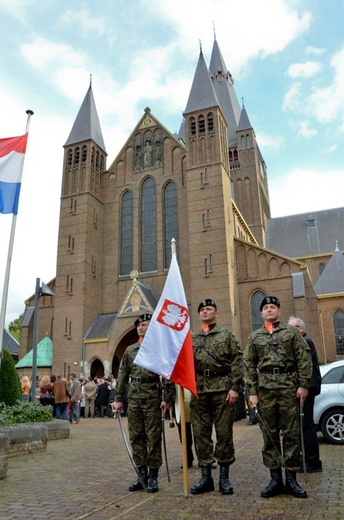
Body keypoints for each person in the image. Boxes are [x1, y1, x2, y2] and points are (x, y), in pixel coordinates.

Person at [243, 296, 312, 499]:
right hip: (265, 392)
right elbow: (248, 364)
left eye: (273, 307)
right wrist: (252, 392)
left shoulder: (291, 333)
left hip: (288, 389)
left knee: (291, 434)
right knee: (269, 435)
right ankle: (275, 479)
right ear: (261, 313)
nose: (269, 310)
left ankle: (291, 479)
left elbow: (304, 358)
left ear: (279, 312)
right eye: (266, 307)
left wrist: (303, 385)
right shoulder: (255, 337)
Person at [113, 313, 174, 493]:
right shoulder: (130, 350)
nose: (141, 327)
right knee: (136, 437)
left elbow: (168, 375)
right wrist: (118, 399)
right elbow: (122, 375)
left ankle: (153, 476)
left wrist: (167, 398)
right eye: (139, 325)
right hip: (134, 399)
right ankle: (141, 475)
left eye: (145, 325)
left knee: (153, 437)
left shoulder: (158, 348)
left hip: (153, 397)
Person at [190, 299, 243, 495]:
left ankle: (224, 478)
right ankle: (206, 478)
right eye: (202, 310)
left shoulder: (226, 335)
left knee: (224, 434)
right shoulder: (192, 338)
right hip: (200, 391)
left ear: (216, 313)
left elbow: (237, 361)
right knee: (201, 435)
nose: (204, 312)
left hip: (222, 390)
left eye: (208, 309)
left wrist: (234, 387)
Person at [288, 316, 322, 473]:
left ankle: (312, 462)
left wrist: (303, 386)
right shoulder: (299, 342)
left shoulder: (305, 342)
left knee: (306, 425)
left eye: (293, 328)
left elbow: (305, 367)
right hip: (305, 387)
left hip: (308, 388)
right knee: (303, 425)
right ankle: (307, 459)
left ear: (301, 329)